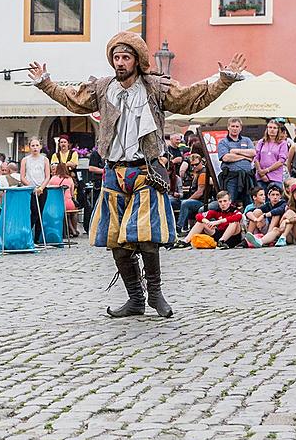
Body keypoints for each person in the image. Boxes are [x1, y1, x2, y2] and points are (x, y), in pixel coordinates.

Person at [29, 31, 244, 319]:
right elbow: (73, 100)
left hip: (145, 170)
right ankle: (134, 299)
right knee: (116, 241)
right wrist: (45, 83)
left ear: (137, 61)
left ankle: (155, 293)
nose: (119, 63)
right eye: (116, 58)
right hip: (114, 172)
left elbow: (191, 99)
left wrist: (223, 81)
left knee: (145, 237)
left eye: (125, 58)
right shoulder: (104, 89)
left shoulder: (155, 87)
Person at [172, 190, 242, 250]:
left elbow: (239, 216)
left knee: (234, 222)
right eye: (220, 202)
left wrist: (218, 221)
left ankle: (222, 241)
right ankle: (186, 242)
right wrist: (207, 222)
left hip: (233, 237)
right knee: (201, 222)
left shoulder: (235, 210)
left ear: (230, 201)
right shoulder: (216, 211)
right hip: (219, 234)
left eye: (225, 201)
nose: (223, 204)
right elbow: (198, 216)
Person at [217, 118, 255, 208]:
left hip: (247, 177)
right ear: (228, 127)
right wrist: (245, 157)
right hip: (231, 178)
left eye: (237, 126)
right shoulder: (223, 142)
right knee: (229, 202)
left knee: (249, 203)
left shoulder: (247, 140)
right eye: (232, 126)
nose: (235, 128)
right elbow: (226, 158)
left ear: (240, 128)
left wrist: (234, 151)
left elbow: (253, 153)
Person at [20, 136, 50, 243]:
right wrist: (33, 187)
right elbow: (22, 177)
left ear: (40, 146)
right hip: (30, 190)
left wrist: (41, 187)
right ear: (29, 147)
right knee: (34, 212)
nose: (35, 148)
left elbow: (47, 176)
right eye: (33, 145)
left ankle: (37, 238)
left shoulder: (45, 160)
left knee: (40, 213)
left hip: (42, 189)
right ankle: (27, 234)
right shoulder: (25, 160)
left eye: (37, 145)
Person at [176, 153, 208, 234]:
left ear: (201, 162)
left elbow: (200, 192)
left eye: (196, 164)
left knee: (185, 203)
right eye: (192, 165)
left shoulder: (203, 173)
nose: (194, 167)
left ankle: (179, 227)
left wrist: (188, 200)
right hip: (197, 199)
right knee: (179, 202)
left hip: (202, 201)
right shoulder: (197, 172)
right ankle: (184, 227)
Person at [254, 118, 288, 189]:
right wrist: (261, 173)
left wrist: (267, 170)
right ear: (267, 129)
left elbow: (281, 161)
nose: (272, 130)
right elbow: (256, 158)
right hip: (261, 177)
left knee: (275, 198)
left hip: (275, 177)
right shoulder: (261, 142)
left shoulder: (282, 143)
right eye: (270, 127)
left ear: (278, 130)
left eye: (274, 128)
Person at [49, 160, 79, 236]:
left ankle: (70, 230)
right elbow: (72, 193)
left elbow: (49, 190)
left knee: (64, 213)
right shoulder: (69, 179)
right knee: (73, 212)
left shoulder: (53, 179)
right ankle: (74, 229)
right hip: (69, 203)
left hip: (57, 204)